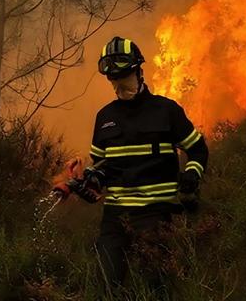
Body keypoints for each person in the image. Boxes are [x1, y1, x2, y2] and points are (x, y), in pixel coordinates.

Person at [87, 36, 209, 290]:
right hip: (115, 219)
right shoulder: (105, 117)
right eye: (114, 82)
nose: (120, 87)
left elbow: (197, 149)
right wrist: (92, 182)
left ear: (139, 72)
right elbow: (102, 168)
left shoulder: (166, 111)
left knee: (156, 287)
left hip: (155, 215)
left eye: (125, 79)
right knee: (106, 289)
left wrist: (193, 173)